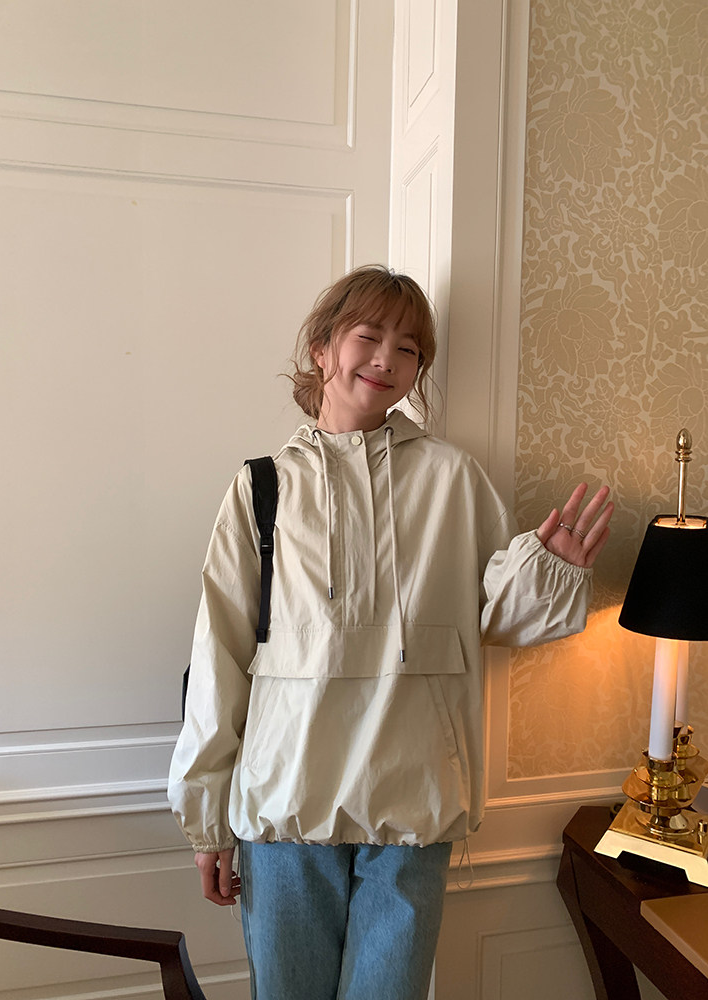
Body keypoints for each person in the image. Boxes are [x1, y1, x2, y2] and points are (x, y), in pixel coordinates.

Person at [168, 265, 613, 1000]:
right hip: (286, 804)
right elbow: (219, 655)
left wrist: (549, 570)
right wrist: (207, 822)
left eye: (408, 348)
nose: (386, 359)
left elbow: (495, 619)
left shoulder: (452, 479)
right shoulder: (263, 487)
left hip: (413, 805)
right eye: (368, 336)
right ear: (321, 348)